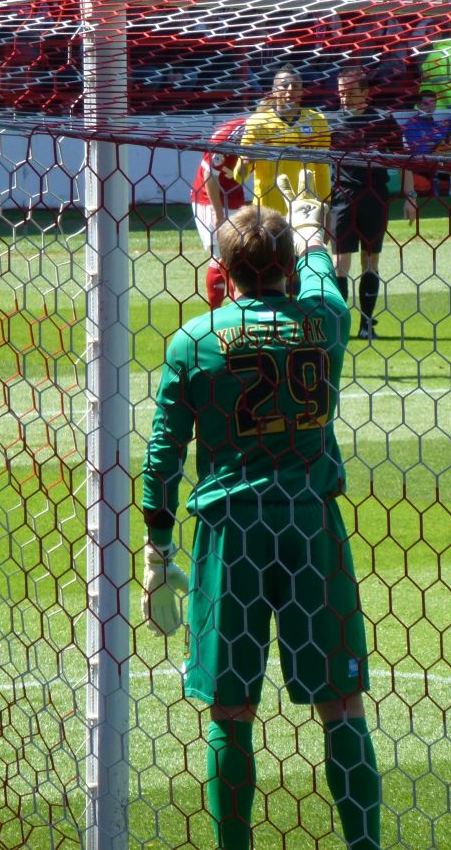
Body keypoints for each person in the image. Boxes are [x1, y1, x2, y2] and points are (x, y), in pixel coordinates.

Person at [140, 173, 380, 850]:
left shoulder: (194, 341)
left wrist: (158, 552)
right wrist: (308, 227)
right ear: (284, 266)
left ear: (221, 270)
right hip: (310, 525)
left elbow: (162, 458)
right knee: (341, 706)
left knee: (230, 710)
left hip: (232, 533)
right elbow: (325, 281)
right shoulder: (326, 319)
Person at [328, 65, 418, 340]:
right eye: (341, 92)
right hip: (341, 199)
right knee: (340, 263)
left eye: (351, 92)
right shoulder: (329, 122)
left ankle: (367, 323)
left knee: (371, 261)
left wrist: (410, 197)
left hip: (375, 198)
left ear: (366, 92)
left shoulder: (383, 121)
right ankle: (340, 324)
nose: (344, 97)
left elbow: (405, 160)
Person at [239, 63, 331, 218]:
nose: (290, 90)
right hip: (268, 212)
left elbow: (322, 169)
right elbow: (239, 176)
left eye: (295, 86)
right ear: (274, 91)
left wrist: (325, 205)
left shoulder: (317, 121)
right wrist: (246, 162)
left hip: (306, 209)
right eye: (284, 85)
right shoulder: (257, 122)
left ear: (302, 91)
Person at [190, 114, 248, 309]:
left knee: (239, 255)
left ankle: (236, 308)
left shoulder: (266, 130)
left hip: (234, 196)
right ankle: (215, 314)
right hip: (209, 199)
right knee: (222, 255)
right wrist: (219, 214)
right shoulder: (226, 136)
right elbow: (209, 177)